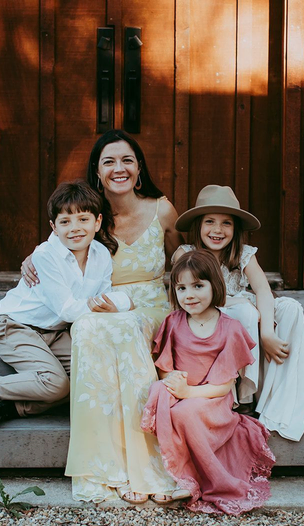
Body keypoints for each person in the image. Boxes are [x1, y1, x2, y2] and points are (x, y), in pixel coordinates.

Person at [22, 130, 185, 504]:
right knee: (92, 329)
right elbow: (57, 243)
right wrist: (34, 256)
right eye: (109, 161)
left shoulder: (161, 208)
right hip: (101, 307)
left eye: (127, 160)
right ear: (97, 171)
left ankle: (146, 465)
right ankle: (104, 467)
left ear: (139, 167)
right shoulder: (87, 213)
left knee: (123, 327)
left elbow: (182, 261)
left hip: (148, 308)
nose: (119, 168)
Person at [0, 180, 132, 429]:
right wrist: (119, 302)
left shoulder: (101, 255)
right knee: (57, 383)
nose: (75, 228)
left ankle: (11, 407)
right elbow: (68, 308)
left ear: (97, 222)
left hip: (56, 332)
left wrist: (116, 302)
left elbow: (103, 298)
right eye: (65, 222)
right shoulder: (45, 256)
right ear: (54, 227)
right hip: (16, 326)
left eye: (83, 220)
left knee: (89, 378)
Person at [141, 249, 275, 514]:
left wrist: (189, 391)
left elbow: (225, 386)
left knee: (185, 412)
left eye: (198, 286)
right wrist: (172, 380)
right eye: (181, 288)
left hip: (213, 399)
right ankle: (168, 471)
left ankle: (191, 479)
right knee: (159, 391)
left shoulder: (229, 328)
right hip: (183, 391)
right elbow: (165, 369)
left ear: (215, 286)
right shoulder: (174, 322)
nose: (189, 295)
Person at [173, 184, 304, 441]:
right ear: (198, 225)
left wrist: (268, 333)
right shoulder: (187, 254)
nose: (217, 230)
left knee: (290, 308)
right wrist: (243, 308)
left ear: (235, 228)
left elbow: (263, 290)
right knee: (245, 312)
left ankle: (281, 399)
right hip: (210, 315)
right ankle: (245, 396)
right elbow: (186, 297)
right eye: (210, 222)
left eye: (226, 223)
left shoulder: (244, 254)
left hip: (241, 307)